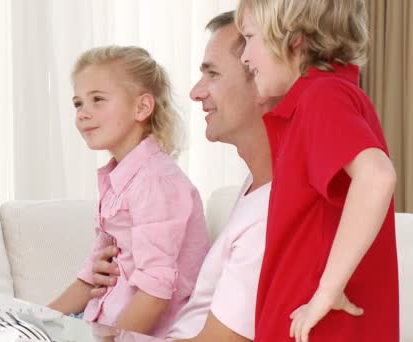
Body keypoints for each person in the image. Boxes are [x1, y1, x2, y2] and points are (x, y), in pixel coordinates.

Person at [89, 12, 276, 341]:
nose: (195, 92)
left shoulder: (271, 214)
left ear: (261, 78)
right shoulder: (254, 188)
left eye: (212, 74)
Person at [236, 1, 399, 341]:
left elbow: (376, 177)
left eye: (249, 37)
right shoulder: (323, 97)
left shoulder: (322, 97)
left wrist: (327, 290)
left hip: (320, 329)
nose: (244, 57)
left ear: (294, 38)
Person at [47, 45, 210, 338]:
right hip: (104, 326)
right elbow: (91, 278)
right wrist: (33, 321)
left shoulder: (157, 182)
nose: (83, 113)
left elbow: (156, 290)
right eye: (78, 103)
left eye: (97, 100)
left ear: (141, 108)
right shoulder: (117, 181)